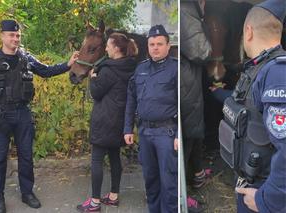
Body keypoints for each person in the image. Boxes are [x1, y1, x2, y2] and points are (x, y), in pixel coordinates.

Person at [0, 19, 77, 213]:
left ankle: (27, 193)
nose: (15, 38)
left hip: (22, 113)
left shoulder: (26, 57)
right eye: (12, 35)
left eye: (18, 35)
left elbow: (46, 71)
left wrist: (68, 64)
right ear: (2, 36)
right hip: (1, 115)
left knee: (26, 157)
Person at [217, 0, 286, 212]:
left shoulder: (276, 73)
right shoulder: (260, 69)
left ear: (248, 31)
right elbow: (249, 107)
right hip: (252, 181)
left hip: (264, 189)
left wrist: (267, 200)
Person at [76, 32, 138, 212]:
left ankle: (94, 202)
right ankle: (113, 196)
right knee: (114, 158)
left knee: (96, 161)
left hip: (104, 120)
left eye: (108, 45)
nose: (106, 48)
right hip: (119, 121)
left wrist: (93, 78)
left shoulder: (109, 70)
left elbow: (96, 93)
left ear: (116, 48)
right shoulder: (129, 67)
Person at [124, 24, 178, 213]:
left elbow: (184, 104)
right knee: (151, 180)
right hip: (145, 133)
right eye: (152, 44)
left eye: (159, 44)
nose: (155, 47)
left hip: (167, 133)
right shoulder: (141, 69)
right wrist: (128, 129)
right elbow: (131, 98)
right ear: (147, 46)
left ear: (168, 46)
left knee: (169, 183)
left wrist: (179, 133)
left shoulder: (175, 69)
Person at [180, 0, 212, 211]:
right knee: (188, 135)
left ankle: (198, 174)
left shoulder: (187, 11)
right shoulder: (186, 11)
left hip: (188, 80)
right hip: (186, 84)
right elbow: (202, 51)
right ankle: (182, 195)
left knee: (194, 130)